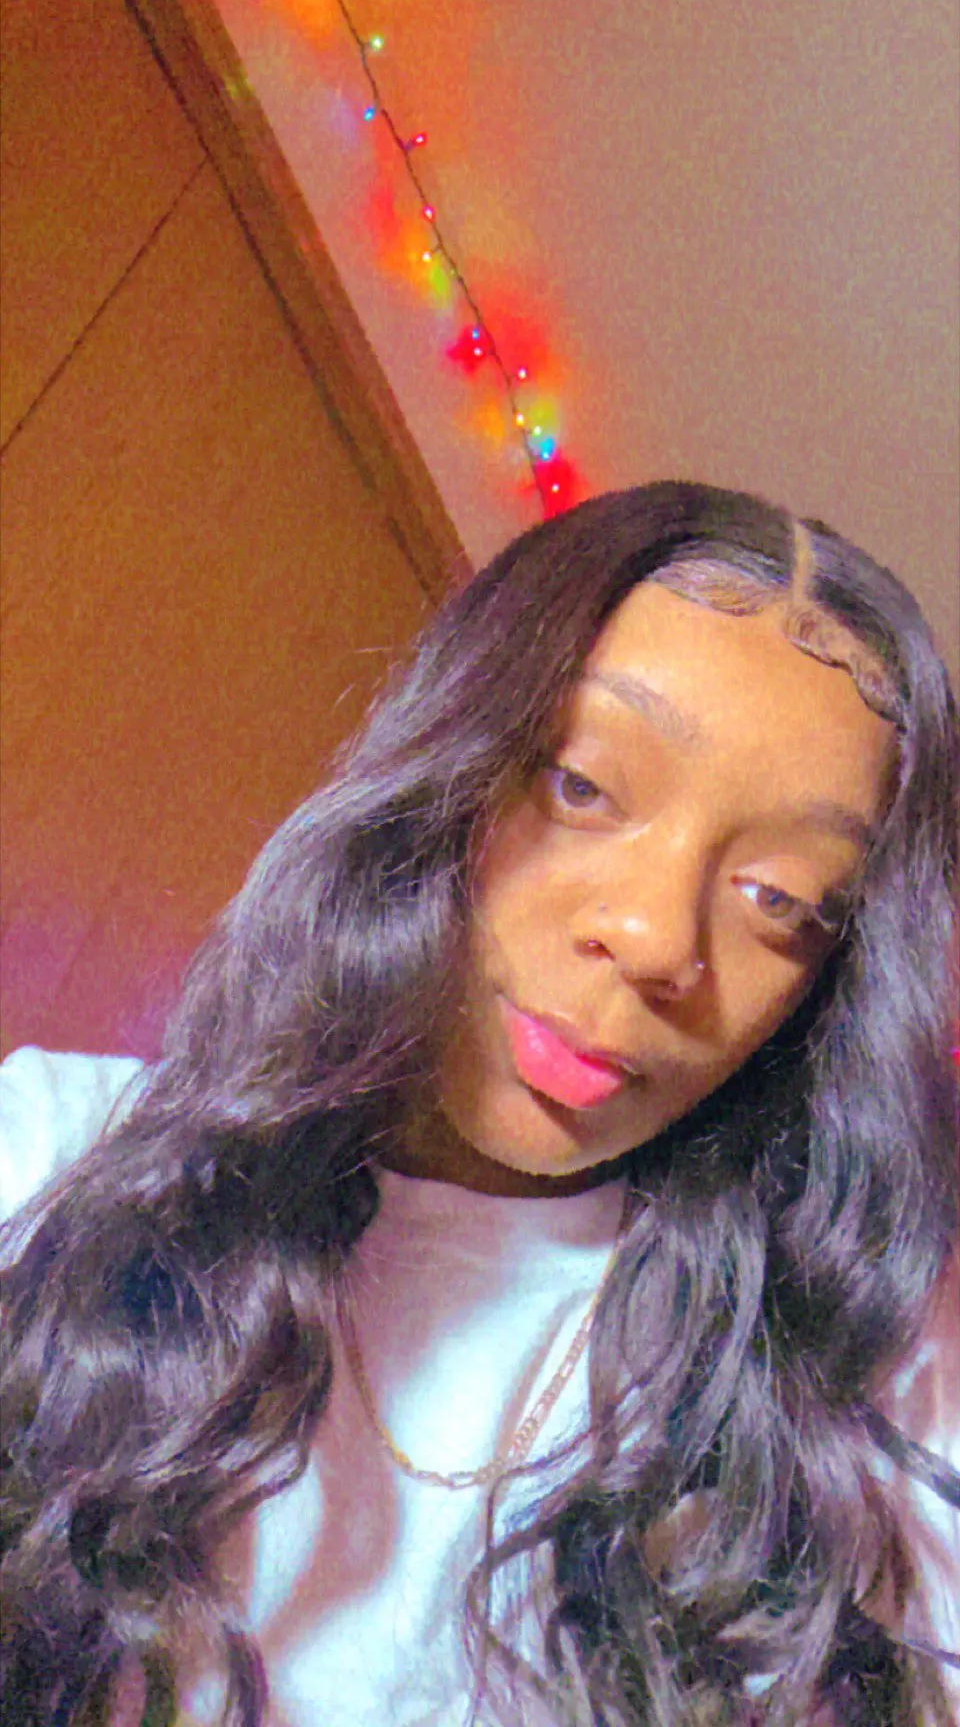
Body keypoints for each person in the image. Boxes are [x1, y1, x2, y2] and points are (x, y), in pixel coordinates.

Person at [1, 482, 958, 1727]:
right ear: (448, 762)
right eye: (581, 784)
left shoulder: (848, 1399)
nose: (657, 936)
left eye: (780, 900)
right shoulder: (48, 1154)